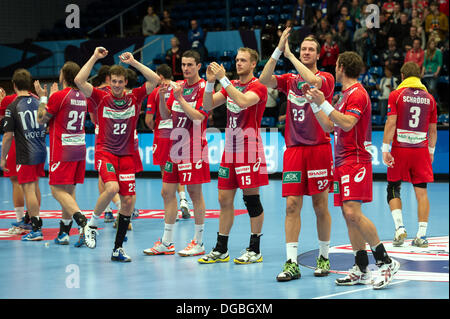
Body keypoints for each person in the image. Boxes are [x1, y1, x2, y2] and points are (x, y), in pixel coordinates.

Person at [305, 51, 400, 290]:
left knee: (353, 212)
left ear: (342, 67)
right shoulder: (343, 96)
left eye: (336, 65)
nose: (334, 68)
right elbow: (330, 125)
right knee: (348, 215)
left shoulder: (357, 93)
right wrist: (315, 105)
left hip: (355, 159)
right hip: (341, 160)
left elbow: (348, 123)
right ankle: (361, 266)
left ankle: (385, 262)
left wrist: (323, 102)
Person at [259, 29, 335, 281]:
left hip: (318, 149)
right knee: (292, 206)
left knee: (319, 206)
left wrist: (291, 56)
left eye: (310, 49)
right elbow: (263, 80)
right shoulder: (290, 79)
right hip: (293, 150)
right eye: (303, 48)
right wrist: (279, 50)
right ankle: (291, 262)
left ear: (318, 54)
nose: (306, 52)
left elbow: (312, 82)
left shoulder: (326, 77)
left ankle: (324, 255)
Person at [75, 47, 160, 262]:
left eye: (120, 82)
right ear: (109, 81)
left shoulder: (134, 97)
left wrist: (133, 62)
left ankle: (117, 249)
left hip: (127, 155)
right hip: (105, 152)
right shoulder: (100, 96)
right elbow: (78, 80)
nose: (117, 85)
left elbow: (155, 79)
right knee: (111, 187)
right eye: (114, 81)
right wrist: (94, 56)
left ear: (125, 82)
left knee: (129, 202)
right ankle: (91, 225)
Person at [198, 47, 269, 265]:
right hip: (229, 148)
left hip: (249, 149)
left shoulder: (258, 86)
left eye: (243, 60)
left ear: (253, 64)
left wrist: (224, 80)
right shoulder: (233, 85)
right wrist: (211, 82)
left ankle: (255, 249)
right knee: (223, 199)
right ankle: (221, 249)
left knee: (251, 199)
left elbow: (244, 102)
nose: (238, 63)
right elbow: (207, 105)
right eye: (237, 60)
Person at [143, 50, 210, 257]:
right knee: (167, 192)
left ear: (199, 66)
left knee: (194, 194)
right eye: (183, 65)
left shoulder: (204, 88)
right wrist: (164, 98)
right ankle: (167, 242)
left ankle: (198, 242)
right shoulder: (177, 87)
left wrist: (180, 99)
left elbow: (199, 117)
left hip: (194, 146)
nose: (186, 68)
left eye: (190, 65)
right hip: (175, 146)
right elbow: (164, 116)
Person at [33, 62, 96, 247]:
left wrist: (43, 98)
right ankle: (64, 233)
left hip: (63, 149)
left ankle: (83, 223)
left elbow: (41, 119)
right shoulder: (82, 96)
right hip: (79, 147)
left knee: (56, 190)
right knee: (69, 191)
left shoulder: (60, 95)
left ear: (64, 76)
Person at [382, 61, 437, 248]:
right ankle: (421, 236)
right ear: (419, 77)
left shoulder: (396, 95)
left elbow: (391, 123)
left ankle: (399, 228)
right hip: (420, 150)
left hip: (400, 149)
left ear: (403, 77)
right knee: (421, 193)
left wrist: (384, 149)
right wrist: (430, 152)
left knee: (393, 188)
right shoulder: (430, 99)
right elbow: (433, 130)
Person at [0, 69, 46, 241]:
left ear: (14, 85)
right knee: (34, 186)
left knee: (27, 188)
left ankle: (35, 227)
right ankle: (31, 221)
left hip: (25, 152)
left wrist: (3, 157)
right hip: (40, 149)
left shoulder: (12, 105)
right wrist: (43, 97)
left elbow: (7, 135)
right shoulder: (39, 101)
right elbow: (44, 121)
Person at [144, 63, 191, 220]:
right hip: (180, 133)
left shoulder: (156, 92)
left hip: (163, 135)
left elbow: (149, 120)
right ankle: (184, 200)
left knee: (167, 172)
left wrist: (154, 126)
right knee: (178, 170)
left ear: (161, 77)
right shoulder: (181, 87)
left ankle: (173, 210)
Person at [87, 65, 121, 224]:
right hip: (119, 134)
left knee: (103, 175)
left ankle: (109, 210)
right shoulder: (117, 91)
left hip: (101, 135)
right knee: (119, 174)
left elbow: (93, 119)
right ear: (109, 77)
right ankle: (122, 205)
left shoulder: (93, 93)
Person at [0, 87, 32, 235]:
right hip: (34, 143)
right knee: (34, 182)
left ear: (14, 85)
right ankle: (33, 221)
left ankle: (20, 224)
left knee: (16, 181)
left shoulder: (8, 100)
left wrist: (1, 103)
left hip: (16, 143)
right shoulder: (36, 98)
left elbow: (5, 126)